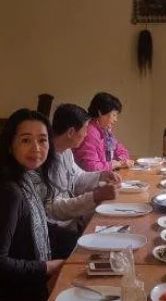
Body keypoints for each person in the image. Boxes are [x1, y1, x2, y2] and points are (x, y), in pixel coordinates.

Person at [0, 109, 63, 301]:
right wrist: (48, 267)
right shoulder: (9, 192)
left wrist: (81, 239)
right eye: (26, 140)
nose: (36, 148)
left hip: (26, 285)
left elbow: (29, 227)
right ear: (10, 145)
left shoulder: (25, 179)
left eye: (42, 140)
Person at [46, 104, 120, 255]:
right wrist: (95, 196)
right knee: (103, 250)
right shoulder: (46, 160)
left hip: (72, 222)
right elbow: (53, 209)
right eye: (85, 129)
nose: (86, 134)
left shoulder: (66, 151)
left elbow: (78, 177)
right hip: (55, 232)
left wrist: (102, 175)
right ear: (71, 132)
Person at [73, 92, 135, 171]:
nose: (116, 120)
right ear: (100, 112)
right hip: (91, 178)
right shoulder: (89, 132)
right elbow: (90, 167)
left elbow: (122, 150)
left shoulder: (105, 131)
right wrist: (117, 164)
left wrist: (121, 160)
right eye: (113, 115)